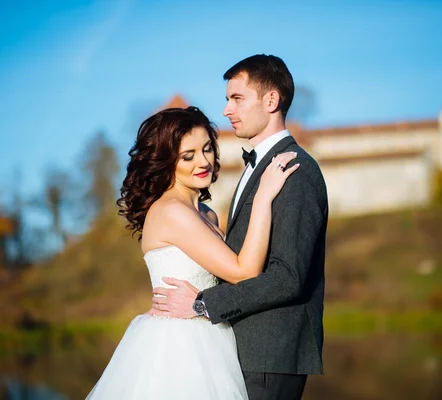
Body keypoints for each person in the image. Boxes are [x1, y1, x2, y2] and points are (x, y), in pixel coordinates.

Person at [86, 106, 299, 399]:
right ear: (166, 161)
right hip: (181, 346)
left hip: (212, 333)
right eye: (188, 156)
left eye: (208, 149)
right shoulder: (172, 211)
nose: (204, 161)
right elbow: (245, 272)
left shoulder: (206, 214)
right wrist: (263, 197)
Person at [151, 55, 328, 399]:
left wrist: (202, 304)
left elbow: (287, 278)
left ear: (271, 100)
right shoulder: (259, 170)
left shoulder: (296, 171)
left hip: (269, 353)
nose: (227, 110)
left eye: (237, 98)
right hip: (239, 352)